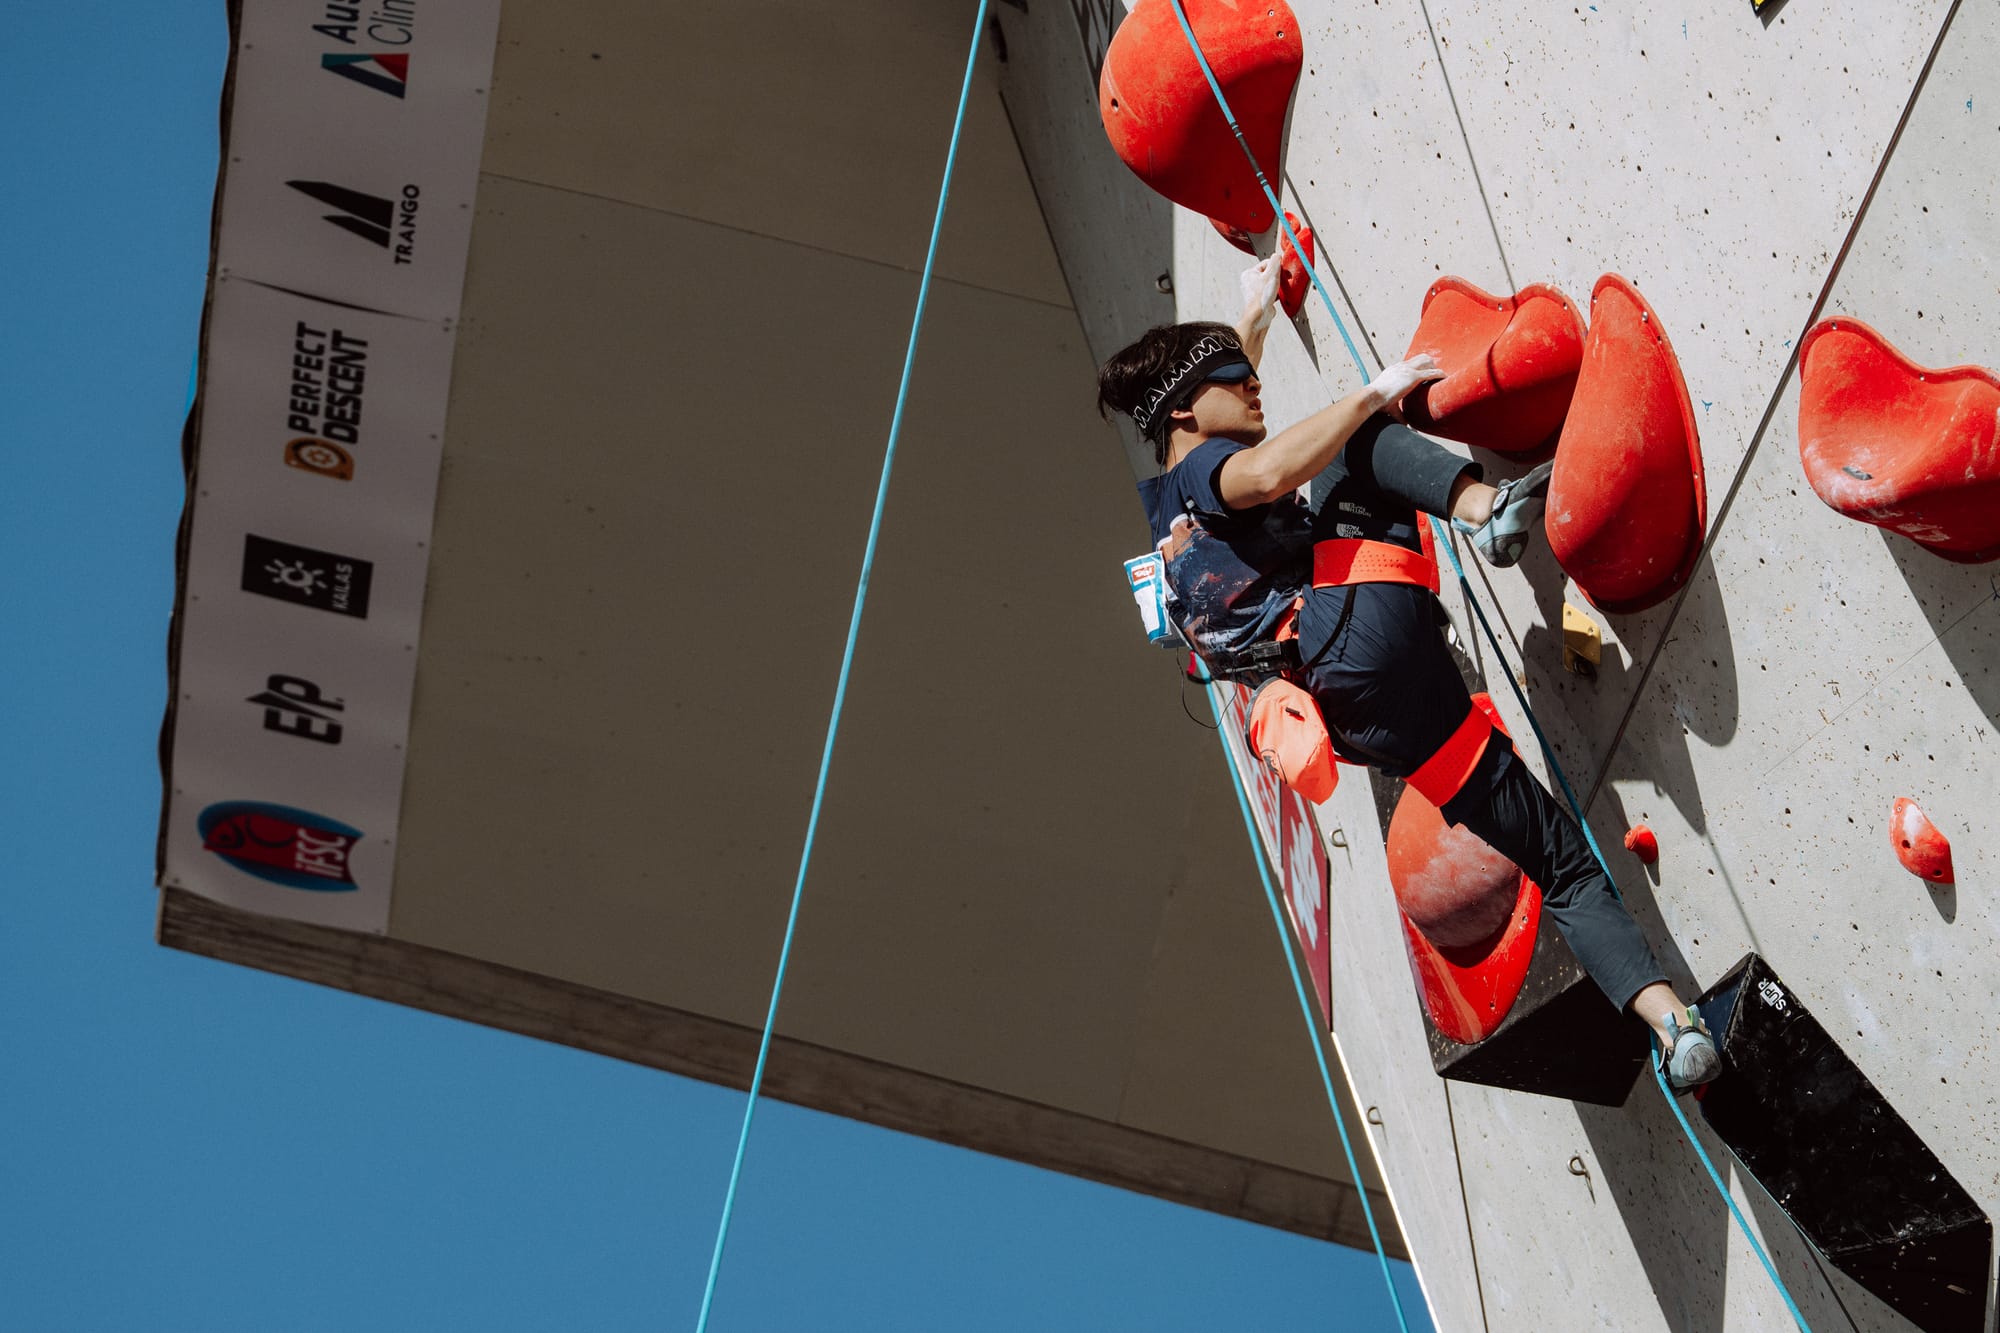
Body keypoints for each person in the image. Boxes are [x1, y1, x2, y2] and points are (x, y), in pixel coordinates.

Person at [1098, 258, 1720, 1089]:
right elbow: (1266, 471)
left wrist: (1255, 317)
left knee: (1558, 859)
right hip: (1353, 629)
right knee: (1349, 446)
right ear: (1184, 406)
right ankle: (1485, 512)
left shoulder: (1167, 508)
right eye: (1235, 380)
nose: (1253, 389)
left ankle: (1674, 1029)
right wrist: (1368, 394)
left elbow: (1211, 389)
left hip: (1371, 720)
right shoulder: (1206, 472)